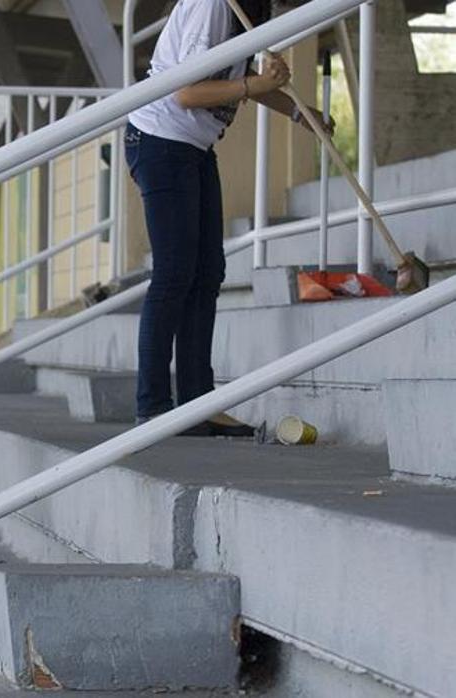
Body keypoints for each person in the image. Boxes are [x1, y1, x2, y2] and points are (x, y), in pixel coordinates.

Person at [126, 0, 326, 435]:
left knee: (208, 272)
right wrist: (255, 84)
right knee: (175, 273)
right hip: (160, 141)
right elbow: (187, 92)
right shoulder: (212, 6)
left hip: (193, 147)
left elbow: (237, 80)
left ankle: (199, 404)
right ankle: (154, 407)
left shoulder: (249, 8)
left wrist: (298, 111)